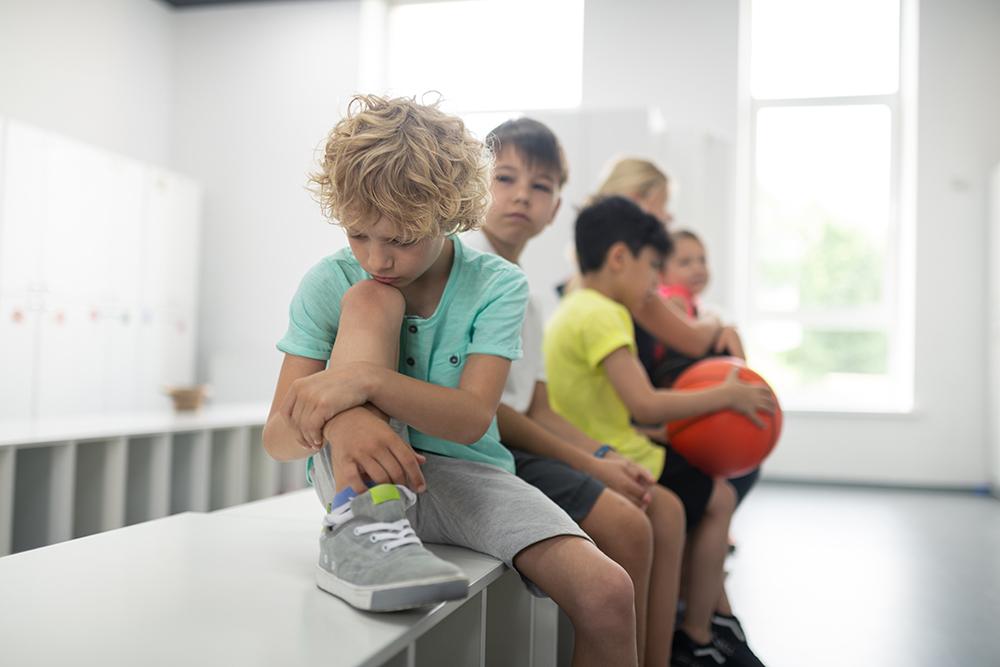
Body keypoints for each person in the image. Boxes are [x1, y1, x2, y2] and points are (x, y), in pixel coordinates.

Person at [261, 95, 639, 666]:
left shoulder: (497, 284)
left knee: (610, 592)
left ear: (449, 213)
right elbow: (278, 440)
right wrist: (342, 419)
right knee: (368, 300)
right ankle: (363, 526)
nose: (377, 257)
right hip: (355, 477)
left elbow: (470, 420)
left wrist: (360, 382)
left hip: (470, 475)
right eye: (358, 235)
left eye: (402, 238)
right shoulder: (334, 282)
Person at [464, 117, 686, 667]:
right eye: (506, 178)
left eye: (540, 186)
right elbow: (490, 412)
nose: (521, 196)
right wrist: (594, 463)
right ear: (476, 184)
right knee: (629, 523)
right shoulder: (462, 263)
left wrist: (603, 456)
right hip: (483, 450)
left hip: (514, 442)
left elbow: (537, 407)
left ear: (557, 207)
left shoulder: (529, 295)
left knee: (655, 508)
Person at [543, 196, 772, 666]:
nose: (653, 282)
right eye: (653, 267)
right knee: (710, 501)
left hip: (617, 442)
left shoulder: (574, 307)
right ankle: (683, 638)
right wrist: (727, 396)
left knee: (677, 510)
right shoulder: (604, 313)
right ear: (619, 258)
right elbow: (644, 400)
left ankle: (671, 640)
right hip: (620, 453)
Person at [656, 229, 760, 508]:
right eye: (685, 262)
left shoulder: (701, 309)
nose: (698, 268)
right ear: (661, 273)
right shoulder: (672, 301)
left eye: (702, 260)